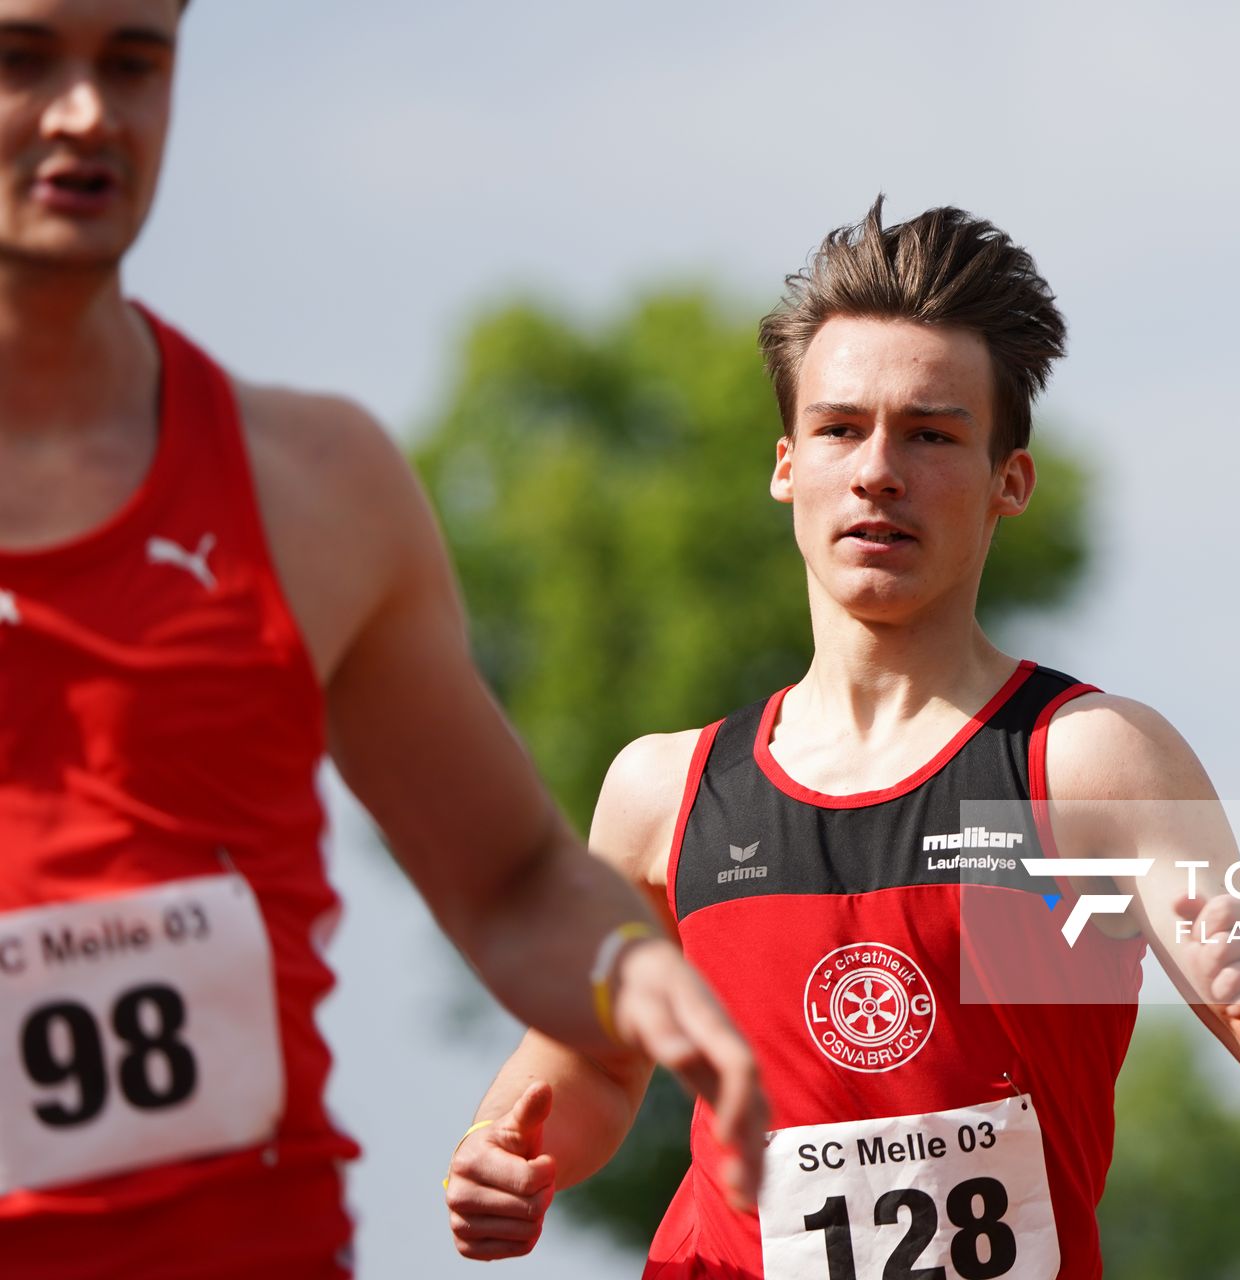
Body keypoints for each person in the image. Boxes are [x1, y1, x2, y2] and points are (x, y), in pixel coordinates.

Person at [446, 195, 1240, 1277]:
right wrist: (498, 1152)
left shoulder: (1085, 761)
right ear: (786, 464)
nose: (879, 469)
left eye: (932, 433)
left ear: (1010, 480)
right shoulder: (665, 791)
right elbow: (593, 1069)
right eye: (840, 427)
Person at [0, 3, 762, 1276]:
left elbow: (511, 876)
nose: (88, 110)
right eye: (22, 59)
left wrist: (638, 976)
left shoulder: (318, 483)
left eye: (132, 61)